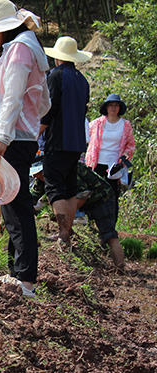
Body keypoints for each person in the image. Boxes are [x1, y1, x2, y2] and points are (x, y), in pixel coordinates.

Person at [0, 0, 50, 298]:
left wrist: (2, 137)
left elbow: (14, 97)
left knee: (17, 208)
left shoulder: (19, 50)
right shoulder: (26, 48)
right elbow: (44, 104)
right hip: (21, 137)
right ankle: (16, 273)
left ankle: (26, 279)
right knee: (12, 206)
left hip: (14, 139)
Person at [40, 36, 91, 248]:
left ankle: (62, 233)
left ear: (58, 58)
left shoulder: (55, 77)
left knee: (53, 187)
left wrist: (37, 133)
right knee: (70, 188)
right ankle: (67, 232)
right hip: (77, 142)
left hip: (58, 140)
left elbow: (48, 110)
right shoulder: (82, 80)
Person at [85, 94, 135, 222]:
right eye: (111, 105)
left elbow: (130, 146)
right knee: (94, 194)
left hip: (114, 167)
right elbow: (85, 138)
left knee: (112, 196)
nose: (113, 108)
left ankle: (111, 225)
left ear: (120, 108)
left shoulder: (126, 125)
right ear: (106, 107)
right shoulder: (96, 123)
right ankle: (93, 223)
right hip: (96, 164)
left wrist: (124, 159)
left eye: (116, 105)